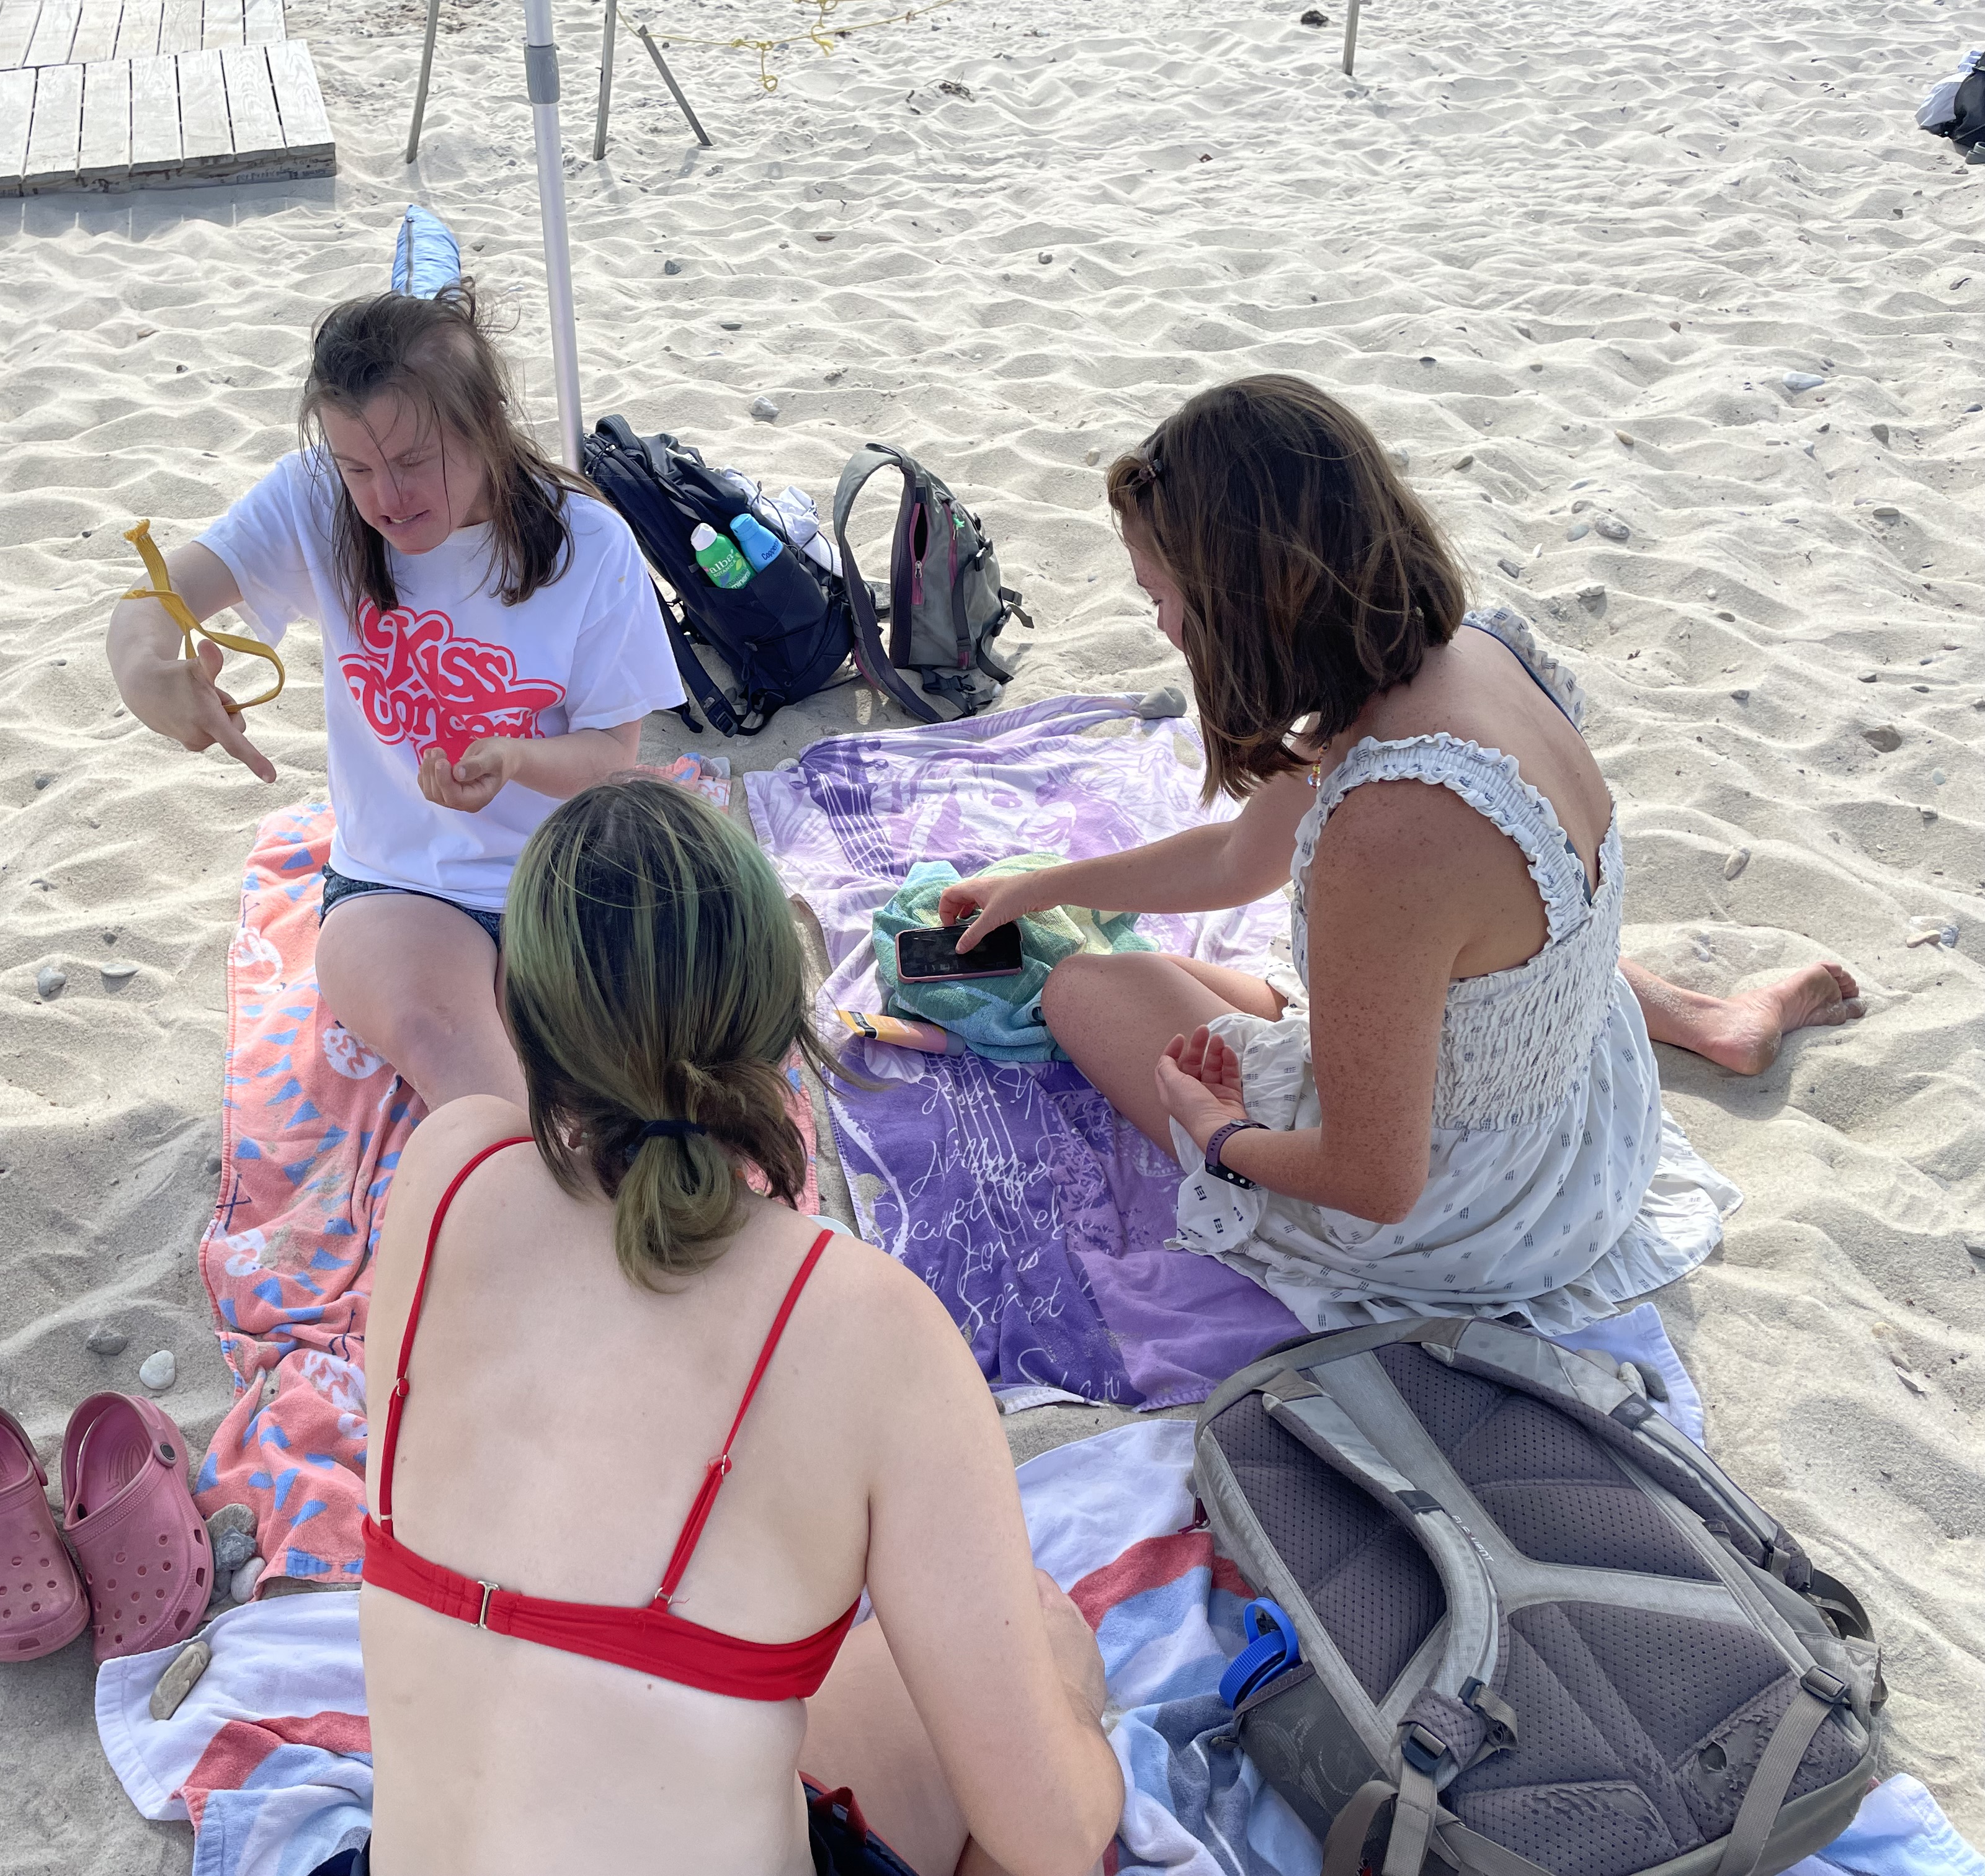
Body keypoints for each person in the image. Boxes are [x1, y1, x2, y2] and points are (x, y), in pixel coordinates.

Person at [940, 375, 1861, 1332]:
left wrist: (1222, 1137)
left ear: (1238, 599)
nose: (1164, 626)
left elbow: (1375, 1184)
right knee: (1451, 939)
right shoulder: (1476, 652)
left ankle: (1700, 1026)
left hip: (1481, 1214)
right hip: (1589, 1117)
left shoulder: (1388, 830)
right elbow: (1238, 860)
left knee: (1085, 990)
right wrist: (1041, 887)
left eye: (1161, 597)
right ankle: (1710, 1019)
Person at [338, 778, 1122, 1876]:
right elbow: (1051, 1835)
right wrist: (1080, 1729)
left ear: (516, 1015)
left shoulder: (448, 1171)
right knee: (1043, 1659)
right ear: (778, 1023)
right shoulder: (864, 1322)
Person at [105, 286, 685, 1109]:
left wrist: (514, 759)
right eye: (358, 468)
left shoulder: (588, 545)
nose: (386, 498)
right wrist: (148, 679)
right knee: (460, 1063)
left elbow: (610, 760)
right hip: (397, 883)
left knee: (600, 1074)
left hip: (563, 870)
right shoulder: (313, 498)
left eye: (415, 462)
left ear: (486, 424)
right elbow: (154, 600)